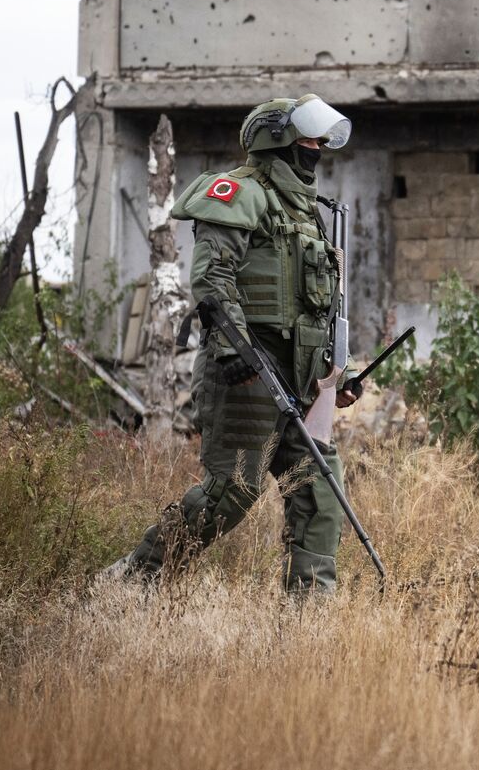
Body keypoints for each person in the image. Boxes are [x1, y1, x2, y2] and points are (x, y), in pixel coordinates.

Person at [108, 95, 362, 592]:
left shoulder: (308, 212)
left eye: (317, 139)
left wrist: (336, 376)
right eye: (307, 138)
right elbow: (212, 277)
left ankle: (308, 618)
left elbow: (314, 306)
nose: (316, 148)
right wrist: (234, 350)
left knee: (318, 490)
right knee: (231, 493)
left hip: (300, 377)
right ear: (278, 139)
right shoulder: (239, 192)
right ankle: (130, 584)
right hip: (247, 370)